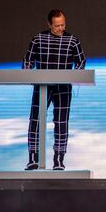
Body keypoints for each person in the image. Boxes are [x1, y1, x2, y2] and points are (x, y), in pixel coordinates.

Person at [23, 9, 86, 170]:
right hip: (41, 87)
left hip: (63, 88)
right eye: (57, 25)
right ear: (49, 24)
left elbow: (81, 62)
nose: (61, 28)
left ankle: (59, 159)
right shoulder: (38, 39)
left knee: (61, 123)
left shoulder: (72, 41)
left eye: (63, 24)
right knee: (35, 120)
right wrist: (28, 72)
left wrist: (75, 74)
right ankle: (33, 158)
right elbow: (27, 61)